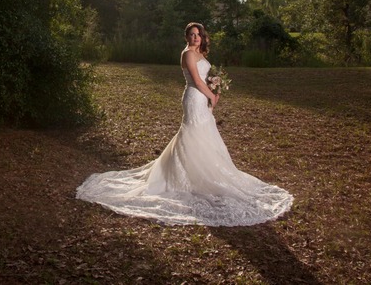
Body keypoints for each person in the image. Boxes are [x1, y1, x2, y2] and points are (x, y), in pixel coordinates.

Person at [76, 22, 293, 226]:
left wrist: (215, 90)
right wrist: (212, 96)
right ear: (187, 37)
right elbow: (197, 81)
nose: (196, 38)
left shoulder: (200, 53)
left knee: (203, 135)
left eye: (199, 34)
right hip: (194, 97)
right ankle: (184, 178)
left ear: (202, 36)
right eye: (192, 34)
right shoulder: (188, 53)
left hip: (204, 98)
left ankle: (203, 173)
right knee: (192, 134)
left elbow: (207, 78)